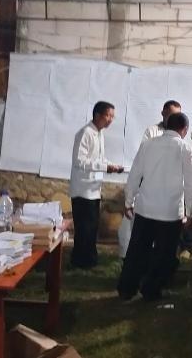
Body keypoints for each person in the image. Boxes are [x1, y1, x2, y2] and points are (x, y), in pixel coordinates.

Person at [118, 112, 192, 301]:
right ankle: (151, 289)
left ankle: (127, 288)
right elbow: (191, 185)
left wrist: (129, 201)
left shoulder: (148, 144)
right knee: (164, 254)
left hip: (145, 208)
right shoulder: (186, 149)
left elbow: (134, 175)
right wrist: (191, 211)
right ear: (185, 129)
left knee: (137, 250)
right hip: (170, 211)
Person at [118, 99, 183, 259]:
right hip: (150, 188)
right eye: (172, 115)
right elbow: (142, 161)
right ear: (163, 114)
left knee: (163, 238)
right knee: (140, 233)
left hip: (168, 193)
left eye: (178, 115)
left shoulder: (180, 137)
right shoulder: (152, 132)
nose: (175, 119)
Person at [69, 101, 124, 269]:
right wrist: (105, 167)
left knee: (92, 227)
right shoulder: (85, 133)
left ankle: (89, 259)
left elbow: (99, 159)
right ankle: (80, 261)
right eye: (108, 116)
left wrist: (111, 166)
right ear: (97, 115)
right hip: (82, 190)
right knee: (84, 227)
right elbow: (80, 161)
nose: (110, 120)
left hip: (93, 189)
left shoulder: (99, 134)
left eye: (112, 117)